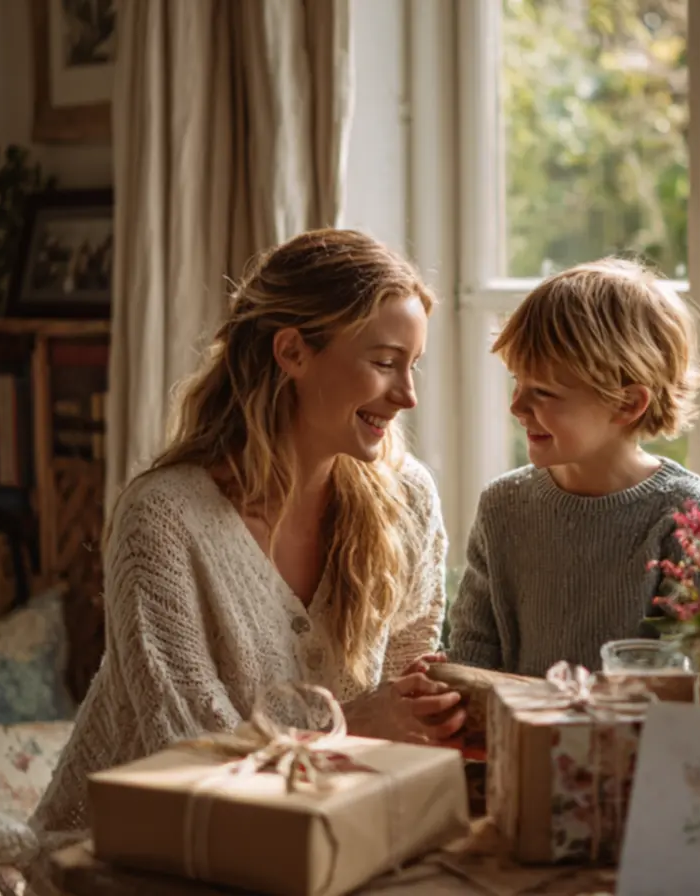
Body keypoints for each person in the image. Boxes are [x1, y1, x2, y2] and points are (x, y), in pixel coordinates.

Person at [31, 229, 464, 838]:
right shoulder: (163, 519)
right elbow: (186, 751)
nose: (408, 396)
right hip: (136, 852)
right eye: (384, 362)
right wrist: (356, 720)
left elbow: (408, 694)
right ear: (292, 352)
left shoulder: (407, 498)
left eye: (412, 366)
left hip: (316, 838)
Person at [447, 258, 700, 676]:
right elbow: (472, 653)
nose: (516, 406)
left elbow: (690, 676)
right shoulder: (502, 505)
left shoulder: (688, 515)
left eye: (542, 392)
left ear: (628, 404)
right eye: (516, 382)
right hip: (515, 740)